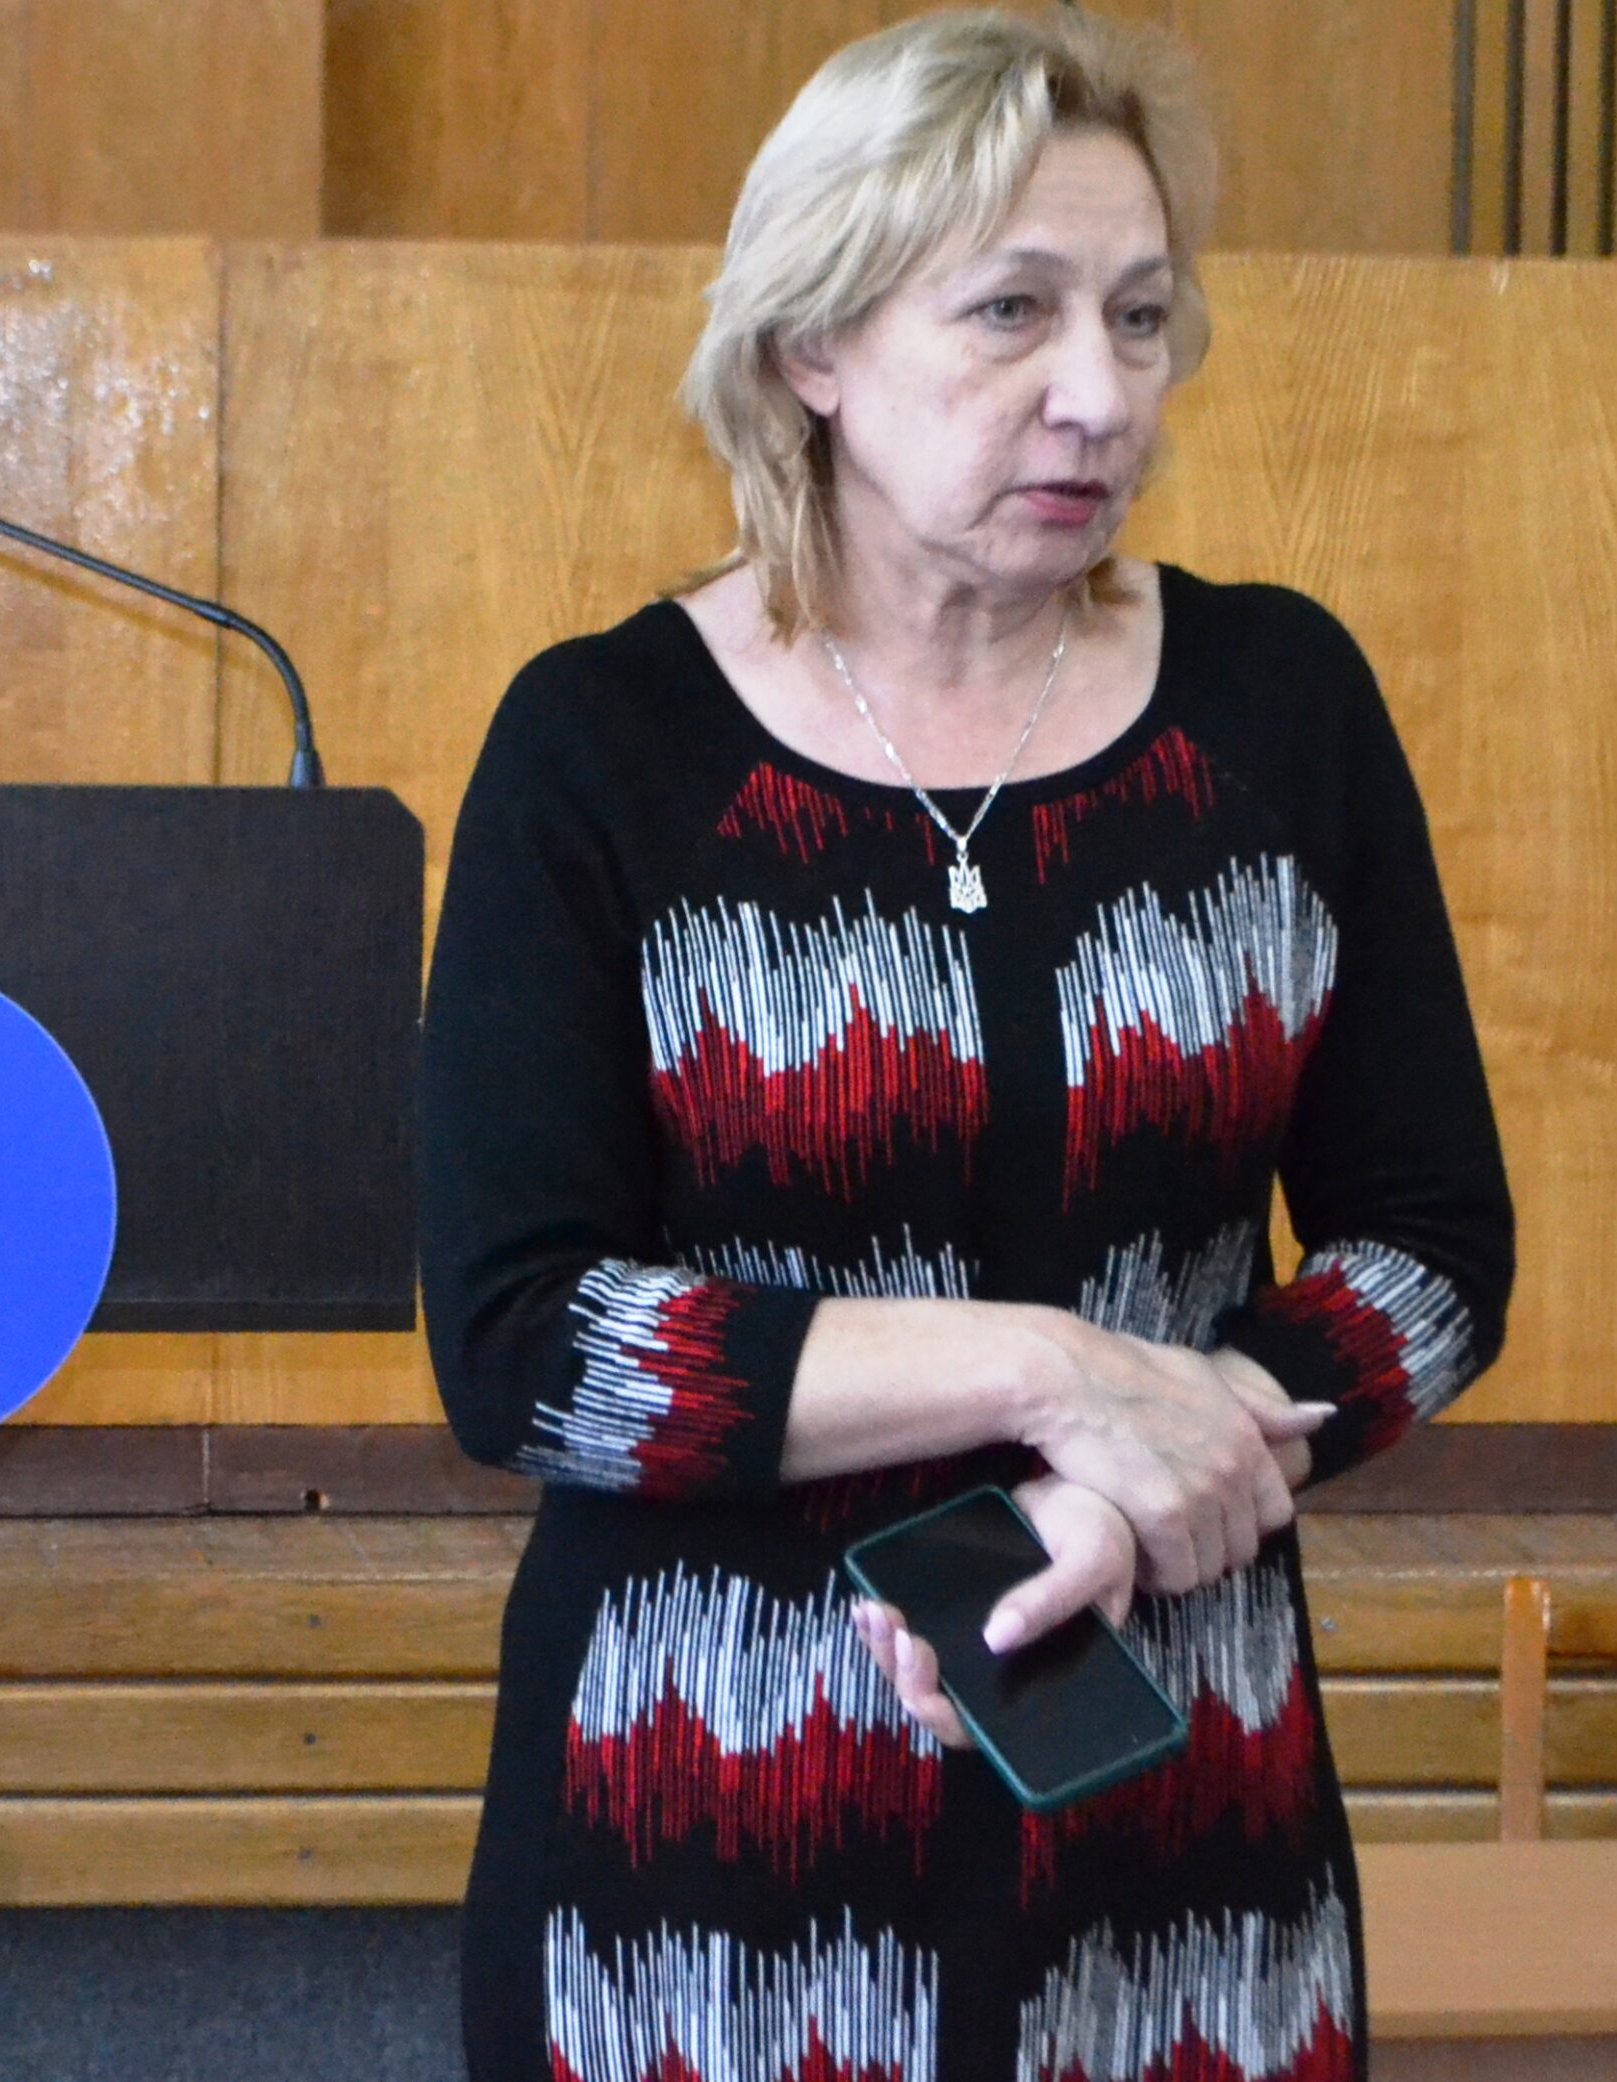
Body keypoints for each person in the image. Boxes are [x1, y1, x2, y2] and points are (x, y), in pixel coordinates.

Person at [417, 6, 1513, 2079]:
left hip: (1177, 1842)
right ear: (811, 346)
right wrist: (1051, 1369)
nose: (1098, 392)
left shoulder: (1276, 707)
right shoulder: (604, 747)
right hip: (700, 1877)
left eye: (1139, 316)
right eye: (1011, 311)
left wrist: (1147, 1477)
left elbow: (1433, 1255)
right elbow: (525, 1342)